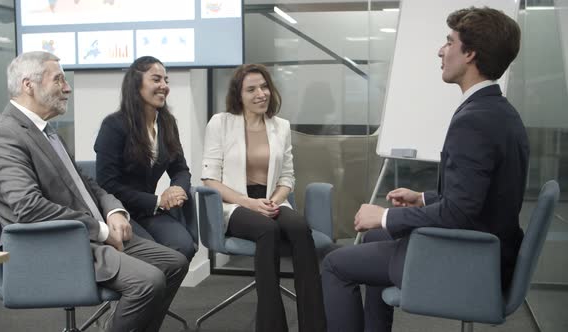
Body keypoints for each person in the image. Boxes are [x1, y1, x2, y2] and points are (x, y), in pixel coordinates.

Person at [321, 7, 529, 332]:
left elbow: (459, 213)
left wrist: (385, 216)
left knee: (335, 263)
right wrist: (421, 197)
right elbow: (477, 198)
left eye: (449, 42)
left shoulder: (474, 120)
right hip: (487, 252)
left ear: (470, 53)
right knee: (375, 237)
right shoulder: (499, 111)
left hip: (466, 263)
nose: (441, 50)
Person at [0, 51, 189, 332]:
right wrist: (100, 230)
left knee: (174, 262)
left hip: (86, 235)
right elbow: (28, 207)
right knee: (148, 281)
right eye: (59, 80)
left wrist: (113, 210)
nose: (67, 88)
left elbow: (87, 184)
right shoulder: (4, 134)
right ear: (29, 85)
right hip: (57, 245)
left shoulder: (46, 131)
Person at [201, 64, 326, 332]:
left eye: (264, 86)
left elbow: (288, 178)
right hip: (235, 204)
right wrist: (250, 204)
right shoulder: (220, 123)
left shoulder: (281, 126)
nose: (261, 93)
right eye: (251, 89)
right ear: (239, 95)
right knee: (267, 229)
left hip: (271, 200)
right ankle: (271, 326)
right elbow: (210, 179)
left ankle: (314, 325)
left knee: (301, 228)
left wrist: (274, 200)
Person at [94, 56, 196, 261]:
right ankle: (144, 293)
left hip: (148, 211)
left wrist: (177, 188)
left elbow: (180, 169)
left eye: (166, 80)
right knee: (158, 256)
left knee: (184, 247)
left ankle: (157, 294)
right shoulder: (114, 125)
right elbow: (107, 184)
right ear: (136, 83)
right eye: (156, 79)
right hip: (120, 211)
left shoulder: (167, 123)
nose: (164, 86)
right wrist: (158, 200)